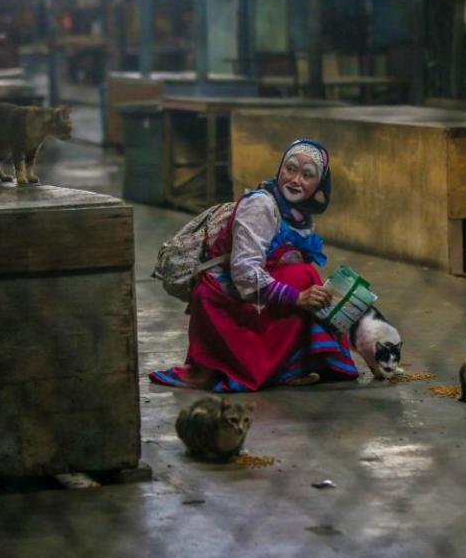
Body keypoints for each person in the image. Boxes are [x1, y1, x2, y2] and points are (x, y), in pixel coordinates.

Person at [150, 138, 360, 392]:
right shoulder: (261, 205)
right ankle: (269, 364)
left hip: (249, 297)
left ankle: (289, 364)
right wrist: (297, 297)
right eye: (290, 169)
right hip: (223, 302)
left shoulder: (297, 216)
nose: (295, 180)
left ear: (319, 185)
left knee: (306, 277)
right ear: (280, 169)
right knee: (303, 280)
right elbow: (244, 272)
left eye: (307, 175)